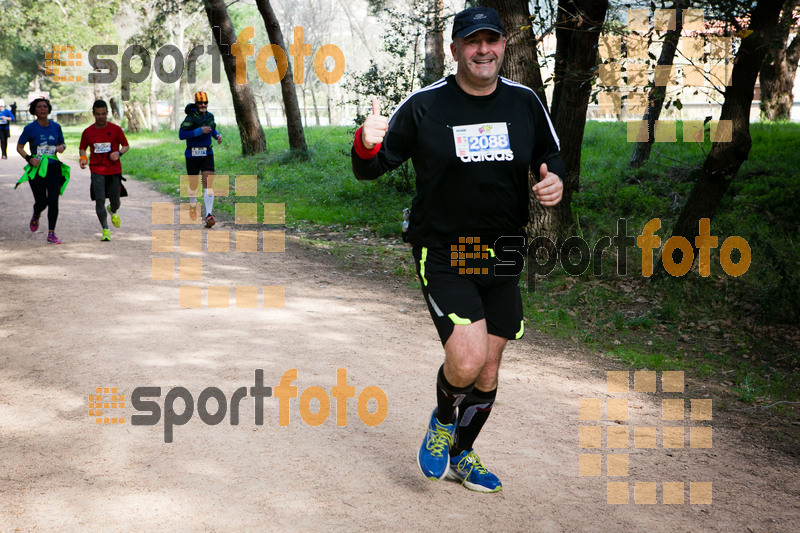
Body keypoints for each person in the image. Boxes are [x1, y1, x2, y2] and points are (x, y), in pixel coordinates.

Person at [351, 6, 564, 493]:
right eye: (472, 41)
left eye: (491, 40)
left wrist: (554, 183)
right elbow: (370, 167)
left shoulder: (525, 101)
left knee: (488, 368)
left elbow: (550, 155)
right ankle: (443, 419)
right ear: (455, 50)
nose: (483, 49)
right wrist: (365, 145)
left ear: (504, 46)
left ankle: (462, 453)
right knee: (465, 360)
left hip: (506, 250)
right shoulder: (425, 106)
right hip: (446, 250)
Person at [15, 98, 70, 244]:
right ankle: (37, 213)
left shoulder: (56, 127)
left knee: (53, 200)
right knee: (41, 201)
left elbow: (62, 143)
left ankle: (51, 233)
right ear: (34, 110)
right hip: (37, 169)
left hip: (53, 168)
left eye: (45, 106)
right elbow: (19, 147)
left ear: (49, 109)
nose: (42, 109)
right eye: (39, 107)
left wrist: (61, 148)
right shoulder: (30, 128)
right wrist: (29, 158)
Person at [79, 99, 130, 241]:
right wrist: (83, 157)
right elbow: (83, 147)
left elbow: (126, 146)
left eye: (103, 114)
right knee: (99, 200)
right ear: (93, 114)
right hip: (96, 170)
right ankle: (105, 229)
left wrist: (119, 153)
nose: (101, 117)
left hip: (113, 170)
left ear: (107, 113)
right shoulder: (88, 132)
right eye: (98, 114)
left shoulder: (116, 129)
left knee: (116, 201)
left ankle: (112, 210)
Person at [179, 91, 221, 228]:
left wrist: (217, 136)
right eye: (200, 103)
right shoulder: (190, 118)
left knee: (208, 183)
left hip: (207, 153)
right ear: (196, 104)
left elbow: (212, 129)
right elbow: (181, 134)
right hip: (192, 154)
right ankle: (193, 203)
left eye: (205, 103)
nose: (203, 105)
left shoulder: (210, 116)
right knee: (193, 185)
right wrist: (199, 131)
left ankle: (209, 214)